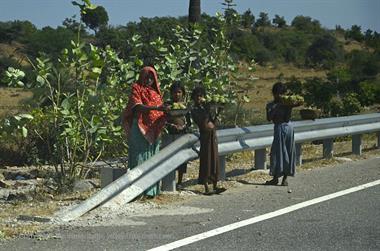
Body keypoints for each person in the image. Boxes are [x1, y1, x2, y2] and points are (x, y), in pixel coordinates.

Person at [122, 66, 168, 197]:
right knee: (140, 158)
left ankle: (151, 191)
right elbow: (137, 107)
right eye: (147, 77)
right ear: (142, 77)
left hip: (154, 130)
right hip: (140, 129)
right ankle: (138, 192)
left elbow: (160, 111)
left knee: (153, 158)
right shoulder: (136, 88)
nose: (149, 80)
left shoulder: (156, 92)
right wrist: (156, 108)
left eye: (151, 78)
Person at [190, 86, 224, 195]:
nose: (199, 98)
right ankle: (206, 186)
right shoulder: (195, 110)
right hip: (205, 137)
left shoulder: (204, 109)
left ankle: (215, 184)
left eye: (201, 96)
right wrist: (207, 111)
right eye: (197, 96)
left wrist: (217, 112)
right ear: (194, 98)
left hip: (212, 135)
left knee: (214, 160)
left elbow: (212, 122)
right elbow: (203, 124)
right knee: (206, 161)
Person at [265, 82, 299, 186]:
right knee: (277, 153)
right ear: (274, 93)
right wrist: (275, 108)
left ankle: (285, 178)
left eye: (282, 94)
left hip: (287, 128)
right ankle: (275, 177)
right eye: (279, 93)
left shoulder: (287, 104)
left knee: (287, 152)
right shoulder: (271, 105)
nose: (280, 96)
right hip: (279, 128)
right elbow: (269, 118)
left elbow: (297, 103)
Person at [162, 82, 191, 188]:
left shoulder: (185, 106)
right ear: (171, 93)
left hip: (182, 134)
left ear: (183, 93)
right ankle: (170, 181)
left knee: (182, 159)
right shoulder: (167, 105)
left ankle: (179, 181)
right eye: (174, 92)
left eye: (179, 92)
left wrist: (184, 127)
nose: (177, 95)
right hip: (170, 134)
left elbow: (189, 122)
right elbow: (163, 120)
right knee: (170, 158)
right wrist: (171, 125)